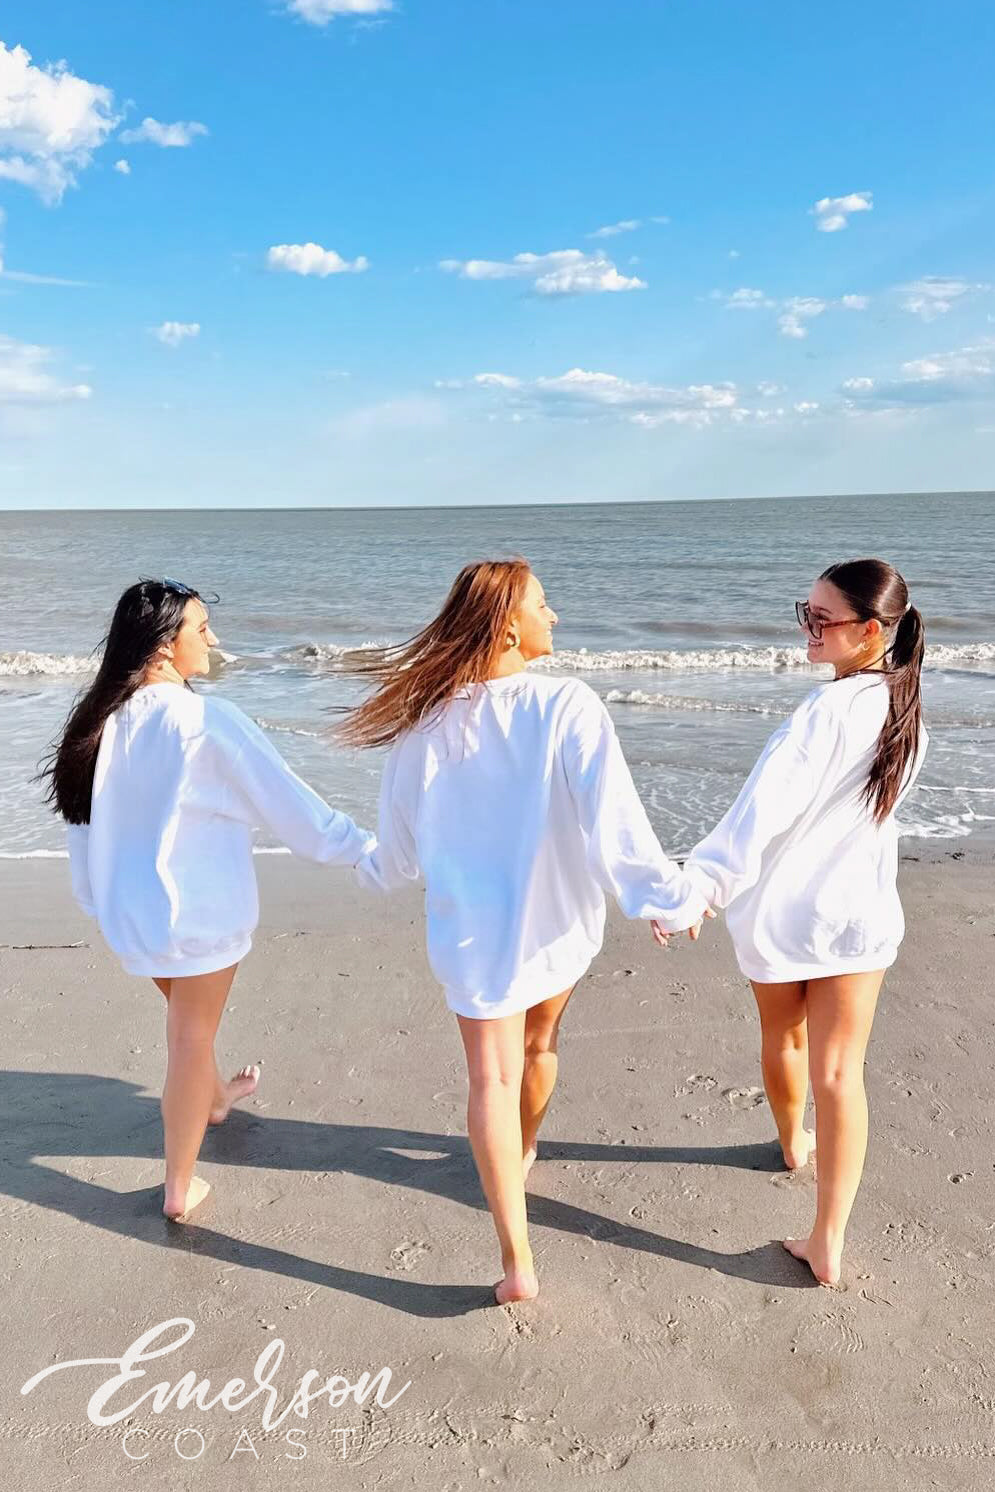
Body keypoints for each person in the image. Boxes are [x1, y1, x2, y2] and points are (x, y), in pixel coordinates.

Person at [338, 558, 709, 1304]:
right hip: (554, 925)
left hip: (472, 937)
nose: (554, 616)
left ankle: (517, 1262)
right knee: (539, 1047)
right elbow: (615, 824)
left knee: (491, 1080)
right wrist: (668, 900)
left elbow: (397, 856)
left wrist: (361, 865)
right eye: (544, 604)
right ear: (508, 626)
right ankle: (524, 1146)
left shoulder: (422, 725)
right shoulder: (566, 705)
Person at [43, 578, 373, 1223]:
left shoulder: (99, 723)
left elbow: (80, 830)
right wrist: (368, 852)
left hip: (130, 916)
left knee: (190, 1026)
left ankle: (215, 1097)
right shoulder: (206, 722)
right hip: (197, 916)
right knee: (189, 1039)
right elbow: (293, 808)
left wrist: (99, 905)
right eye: (200, 628)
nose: (213, 639)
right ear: (165, 645)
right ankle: (179, 1186)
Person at [675, 558, 927, 1286]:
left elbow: (759, 813)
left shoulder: (824, 711)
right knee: (841, 1074)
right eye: (804, 613)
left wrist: (702, 887)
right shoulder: (906, 706)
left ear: (870, 630)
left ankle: (791, 1142)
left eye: (822, 619)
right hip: (858, 917)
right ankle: (827, 1240)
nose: (808, 629)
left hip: (785, 916)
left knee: (782, 1036)